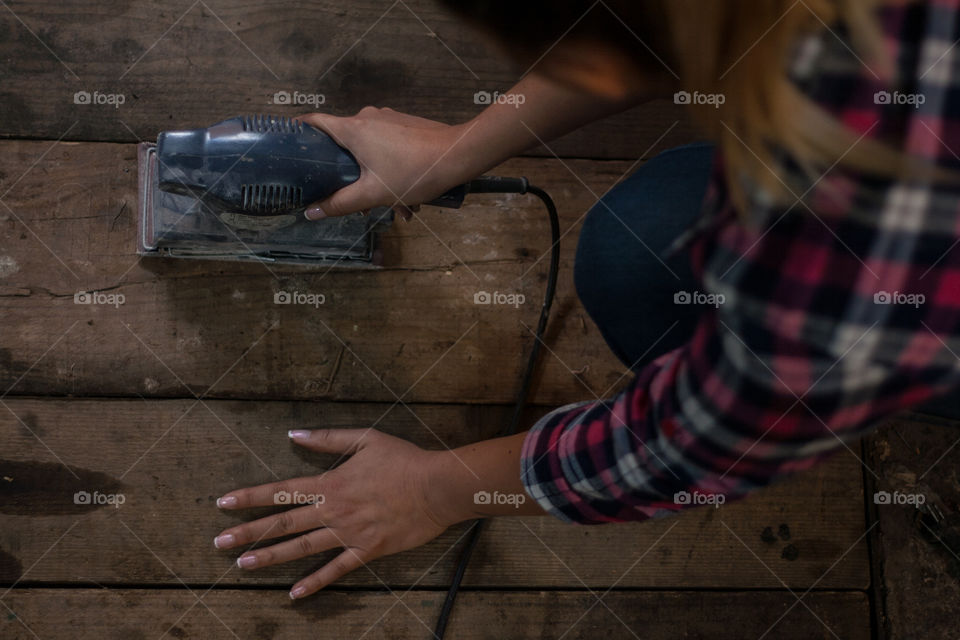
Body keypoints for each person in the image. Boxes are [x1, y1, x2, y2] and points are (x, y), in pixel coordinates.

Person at [213, 0, 960, 600]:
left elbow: (688, 444)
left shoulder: (867, 229)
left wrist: (436, 492)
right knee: (639, 243)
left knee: (650, 283)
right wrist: (459, 148)